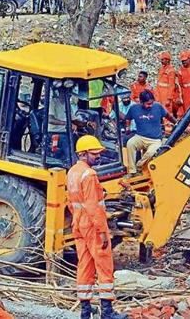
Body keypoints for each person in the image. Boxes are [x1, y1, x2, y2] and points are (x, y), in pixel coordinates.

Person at [67, 135, 127, 319]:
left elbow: (72, 203)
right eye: (94, 154)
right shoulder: (89, 175)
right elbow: (94, 207)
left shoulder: (72, 172)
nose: (98, 157)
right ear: (83, 154)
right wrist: (102, 231)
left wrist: (78, 220)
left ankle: (85, 311)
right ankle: (107, 312)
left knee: (84, 264)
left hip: (78, 224)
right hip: (93, 226)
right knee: (104, 264)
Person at [125, 91, 177, 175]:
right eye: (148, 104)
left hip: (155, 140)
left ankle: (139, 166)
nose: (151, 105)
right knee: (130, 144)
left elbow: (168, 116)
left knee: (151, 153)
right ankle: (132, 171)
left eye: (152, 103)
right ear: (141, 102)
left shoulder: (158, 106)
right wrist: (127, 127)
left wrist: (176, 122)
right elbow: (128, 118)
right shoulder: (133, 108)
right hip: (140, 137)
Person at [47, 89, 70, 165]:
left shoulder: (67, 104)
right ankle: (69, 163)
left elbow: (74, 119)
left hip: (66, 132)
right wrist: (66, 123)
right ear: (60, 92)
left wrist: (87, 123)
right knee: (66, 141)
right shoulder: (53, 102)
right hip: (53, 133)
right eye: (63, 92)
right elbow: (50, 119)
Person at [155, 52, 180, 116]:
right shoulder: (161, 69)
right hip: (159, 94)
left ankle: (168, 125)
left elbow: (171, 86)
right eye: (161, 59)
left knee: (166, 111)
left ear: (167, 60)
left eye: (163, 59)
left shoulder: (171, 71)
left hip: (165, 95)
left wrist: (169, 98)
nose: (161, 61)